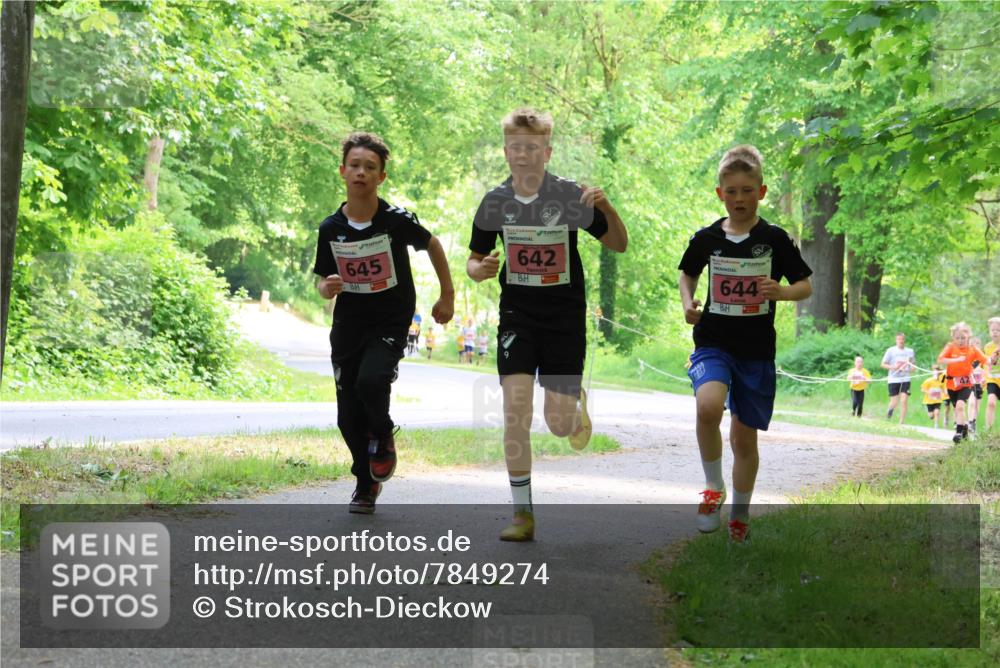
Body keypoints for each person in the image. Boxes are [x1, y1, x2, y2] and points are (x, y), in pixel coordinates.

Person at [467, 107, 628, 542]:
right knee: (514, 410)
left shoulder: (568, 197)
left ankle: (573, 407)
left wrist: (607, 206)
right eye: (515, 147)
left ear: (547, 150)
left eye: (532, 148)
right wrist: (478, 270)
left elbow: (618, 243)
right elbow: (473, 259)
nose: (523, 155)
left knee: (557, 425)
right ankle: (523, 514)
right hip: (517, 317)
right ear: (506, 150)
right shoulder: (494, 202)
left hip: (564, 319)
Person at [314, 132, 454, 514]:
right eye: (355, 166)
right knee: (346, 417)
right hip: (349, 326)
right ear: (343, 172)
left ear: (381, 177)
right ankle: (366, 481)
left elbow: (434, 244)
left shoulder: (394, 221)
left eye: (370, 168)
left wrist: (447, 296)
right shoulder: (330, 229)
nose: (361, 173)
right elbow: (323, 283)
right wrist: (327, 288)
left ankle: (382, 433)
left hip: (391, 321)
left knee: (372, 381)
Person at [679, 144, 812, 544]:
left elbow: (804, 285)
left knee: (743, 438)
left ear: (762, 191)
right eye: (732, 191)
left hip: (755, 351)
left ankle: (740, 515)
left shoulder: (774, 240)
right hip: (713, 342)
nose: (739, 198)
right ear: (720, 193)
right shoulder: (706, 238)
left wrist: (781, 293)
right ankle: (711, 488)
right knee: (708, 405)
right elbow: (687, 274)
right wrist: (689, 304)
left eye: (747, 190)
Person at [937, 322, 987, 444]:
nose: (960, 341)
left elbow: (986, 360)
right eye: (957, 338)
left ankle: (958, 433)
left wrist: (994, 359)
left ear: (968, 337)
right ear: (953, 337)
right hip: (951, 383)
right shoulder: (950, 347)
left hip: (966, 383)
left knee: (960, 405)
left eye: (963, 338)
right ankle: (964, 430)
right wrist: (956, 359)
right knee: (957, 409)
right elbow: (940, 359)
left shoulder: (973, 349)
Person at [881, 333, 915, 424]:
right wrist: (893, 367)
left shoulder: (910, 351)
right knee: (894, 401)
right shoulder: (890, 351)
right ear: (896, 340)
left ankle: (901, 423)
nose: (901, 341)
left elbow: (913, 366)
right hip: (893, 378)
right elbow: (883, 364)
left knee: (904, 400)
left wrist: (910, 369)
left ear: (905, 340)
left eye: (902, 339)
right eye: (899, 339)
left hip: (905, 379)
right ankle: (890, 410)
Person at [984, 317, 1000, 432]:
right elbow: (986, 364)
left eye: (998, 330)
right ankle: (988, 432)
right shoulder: (987, 347)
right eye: (992, 330)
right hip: (992, 379)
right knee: (991, 403)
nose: (995, 332)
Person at [920, 364, 947, 429]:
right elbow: (922, 389)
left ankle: (936, 424)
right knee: (931, 415)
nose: (936, 375)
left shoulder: (941, 381)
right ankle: (931, 415)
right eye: (935, 373)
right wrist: (929, 392)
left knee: (937, 412)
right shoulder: (928, 381)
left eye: (938, 373)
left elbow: (943, 388)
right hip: (929, 400)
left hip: (938, 400)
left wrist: (944, 393)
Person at [969, 336, 985, 434]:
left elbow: (987, 370)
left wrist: (984, 378)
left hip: (980, 384)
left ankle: (973, 422)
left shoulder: (983, 359)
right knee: (971, 402)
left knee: (977, 405)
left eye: (976, 344)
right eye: (972, 344)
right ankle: (969, 421)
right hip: (969, 384)